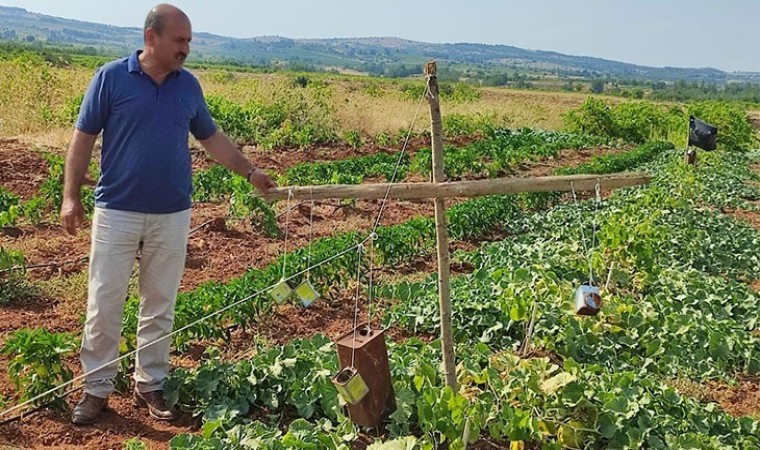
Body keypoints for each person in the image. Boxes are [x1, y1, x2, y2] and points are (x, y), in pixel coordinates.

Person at [61, 3, 276, 425]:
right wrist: (71, 195)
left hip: (172, 212)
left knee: (159, 303)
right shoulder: (110, 78)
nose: (186, 49)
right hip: (117, 210)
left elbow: (211, 138)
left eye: (189, 41)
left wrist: (250, 171)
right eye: (180, 40)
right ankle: (96, 389)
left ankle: (151, 384)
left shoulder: (187, 87)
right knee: (104, 302)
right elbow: (83, 137)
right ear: (151, 38)